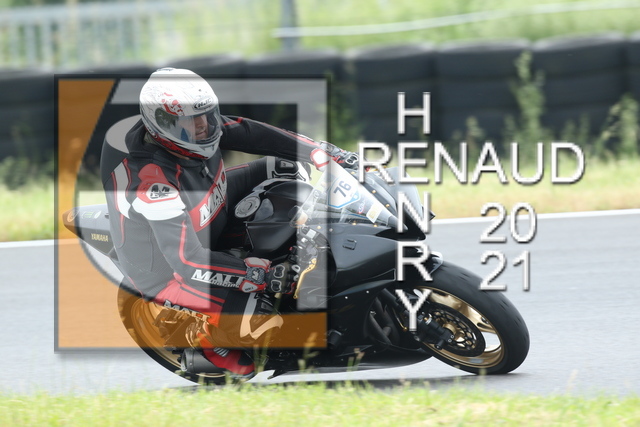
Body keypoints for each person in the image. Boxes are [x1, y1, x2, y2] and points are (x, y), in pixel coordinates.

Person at [100, 68, 358, 379]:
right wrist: (258, 274)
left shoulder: (195, 126)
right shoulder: (151, 183)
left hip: (207, 207)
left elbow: (252, 132)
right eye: (190, 122)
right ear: (162, 126)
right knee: (256, 336)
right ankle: (204, 343)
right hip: (168, 269)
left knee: (285, 166)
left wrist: (320, 152)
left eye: (206, 115)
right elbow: (187, 261)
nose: (203, 126)